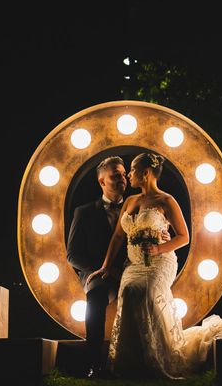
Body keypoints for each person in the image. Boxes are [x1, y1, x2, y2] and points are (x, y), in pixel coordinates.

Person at [87, 153, 222, 378]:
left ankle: (156, 355)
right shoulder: (130, 201)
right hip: (133, 265)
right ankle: (130, 360)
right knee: (128, 290)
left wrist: (158, 249)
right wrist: (106, 266)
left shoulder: (166, 201)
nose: (129, 175)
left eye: (132, 170)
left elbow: (184, 237)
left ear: (145, 173)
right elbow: (119, 237)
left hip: (160, 263)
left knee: (144, 291)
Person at [67, 155, 170, 378]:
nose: (123, 179)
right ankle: (95, 364)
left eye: (124, 174)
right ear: (102, 181)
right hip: (100, 274)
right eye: (116, 176)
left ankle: (144, 360)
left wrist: (162, 234)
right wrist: (104, 269)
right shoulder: (83, 212)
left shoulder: (137, 203)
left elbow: (158, 226)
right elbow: (73, 255)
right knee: (95, 298)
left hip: (135, 269)